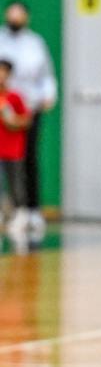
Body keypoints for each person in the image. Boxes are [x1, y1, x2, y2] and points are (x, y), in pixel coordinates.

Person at [0, 1, 57, 240]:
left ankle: (31, 209)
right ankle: (7, 209)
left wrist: (48, 96)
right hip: (3, 104)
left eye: (19, 14)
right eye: (11, 14)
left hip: (28, 107)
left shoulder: (35, 43)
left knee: (27, 159)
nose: (15, 18)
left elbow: (47, 75)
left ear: (26, 17)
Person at [0, 60, 31, 237]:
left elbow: (25, 120)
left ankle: (21, 213)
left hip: (13, 149)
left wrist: (12, 120)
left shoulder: (15, 97)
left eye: (4, 72)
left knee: (16, 183)